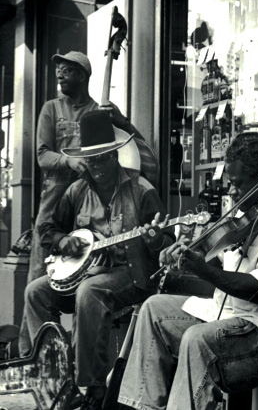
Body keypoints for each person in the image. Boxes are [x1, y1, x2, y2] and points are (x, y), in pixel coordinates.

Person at [117, 132, 258, 410]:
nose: (232, 192)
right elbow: (224, 266)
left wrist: (202, 269)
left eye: (238, 184)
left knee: (198, 340)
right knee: (153, 309)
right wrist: (180, 250)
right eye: (230, 183)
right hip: (233, 316)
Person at [21, 110, 175, 410]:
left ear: (115, 154)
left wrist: (156, 239)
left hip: (130, 274)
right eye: (92, 160)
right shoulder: (76, 190)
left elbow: (166, 245)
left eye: (104, 158)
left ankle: (91, 387)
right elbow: (48, 230)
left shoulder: (142, 190)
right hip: (84, 273)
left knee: (89, 292)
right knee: (35, 292)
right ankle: (54, 373)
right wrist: (64, 241)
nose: (98, 166)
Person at [19, 51, 143, 356]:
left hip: (96, 196)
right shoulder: (51, 108)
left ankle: (76, 359)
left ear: (84, 75)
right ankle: (34, 354)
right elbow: (42, 155)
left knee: (87, 281)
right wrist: (71, 163)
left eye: (67, 70)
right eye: (58, 69)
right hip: (57, 196)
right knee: (39, 278)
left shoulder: (96, 111)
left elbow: (134, 155)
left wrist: (118, 121)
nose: (60, 74)